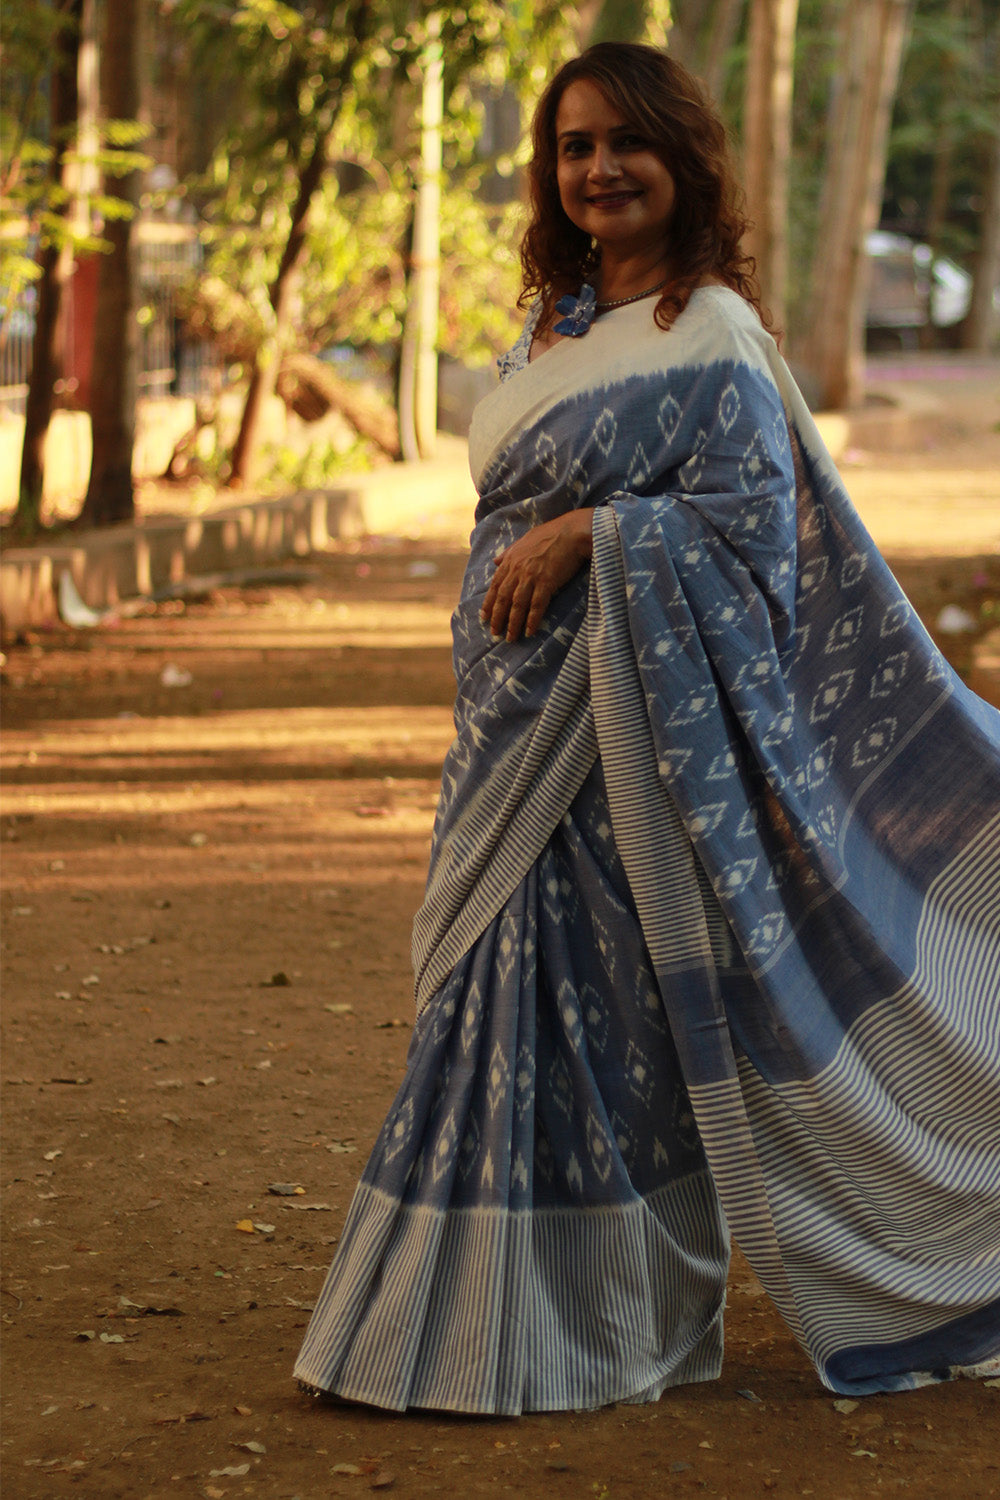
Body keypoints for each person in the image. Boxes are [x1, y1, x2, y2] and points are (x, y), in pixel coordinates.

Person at [295, 42, 1000, 1415]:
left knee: (587, 1022)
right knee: (478, 1002)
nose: (599, 167)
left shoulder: (716, 335)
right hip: (507, 736)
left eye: (627, 141)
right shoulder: (552, 328)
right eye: (573, 145)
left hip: (617, 747)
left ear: (684, 159)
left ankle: (588, 1328)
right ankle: (471, 1315)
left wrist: (592, 533)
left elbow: (753, 552)